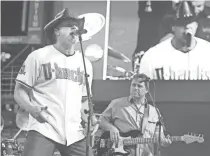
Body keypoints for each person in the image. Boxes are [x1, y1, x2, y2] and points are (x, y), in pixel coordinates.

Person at [14, 8, 98, 156]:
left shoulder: (85, 63)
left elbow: (84, 99)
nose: (74, 28)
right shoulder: (39, 56)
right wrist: (31, 108)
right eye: (69, 24)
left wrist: (90, 117)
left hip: (74, 133)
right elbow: (19, 91)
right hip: (44, 128)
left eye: (76, 26)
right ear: (57, 31)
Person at [139, 1, 210, 80]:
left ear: (196, 25)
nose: (187, 28)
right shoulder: (152, 57)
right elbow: (144, 92)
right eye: (182, 24)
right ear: (173, 27)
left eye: (190, 23)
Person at [99, 73, 172, 156]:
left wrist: (164, 142)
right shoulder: (117, 104)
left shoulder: (154, 111)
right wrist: (111, 128)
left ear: (147, 90)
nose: (135, 88)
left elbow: (158, 135)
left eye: (139, 86)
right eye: (133, 85)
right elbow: (101, 120)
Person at [159, 0, 210, 68]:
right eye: (192, 6)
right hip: (178, 67)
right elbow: (161, 44)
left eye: (199, 6)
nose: (195, 10)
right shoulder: (172, 18)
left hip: (207, 67)